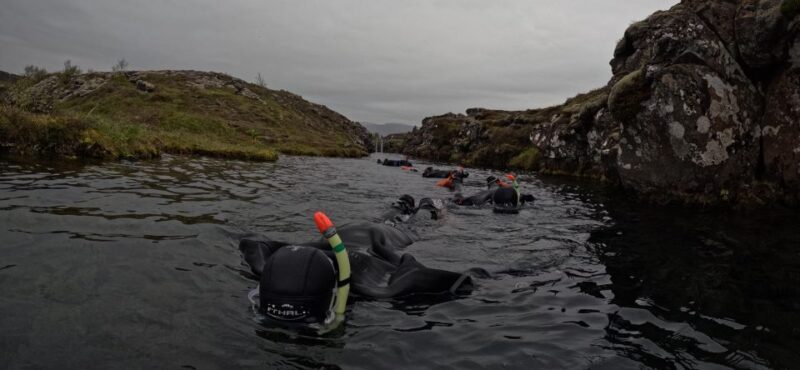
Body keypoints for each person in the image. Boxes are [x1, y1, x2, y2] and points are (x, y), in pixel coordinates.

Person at [239, 196, 475, 325]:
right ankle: (411, 203)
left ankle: (428, 204)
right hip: (362, 234)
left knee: (417, 217)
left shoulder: (375, 285)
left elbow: (452, 280)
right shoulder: (274, 265)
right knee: (399, 217)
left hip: (384, 237)